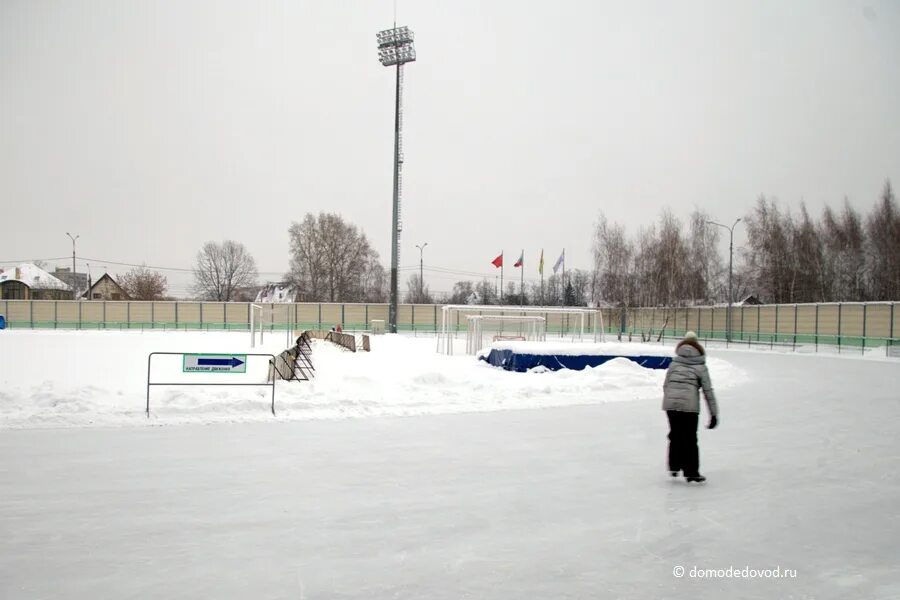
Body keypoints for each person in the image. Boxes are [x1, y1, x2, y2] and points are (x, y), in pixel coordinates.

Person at [662, 331, 718, 483]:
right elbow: (708, 391)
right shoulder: (700, 366)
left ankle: (674, 466)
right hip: (689, 407)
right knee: (690, 438)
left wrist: (671, 400)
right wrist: (713, 414)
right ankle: (691, 472)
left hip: (671, 405)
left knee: (675, 434)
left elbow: (666, 385)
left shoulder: (674, 364)